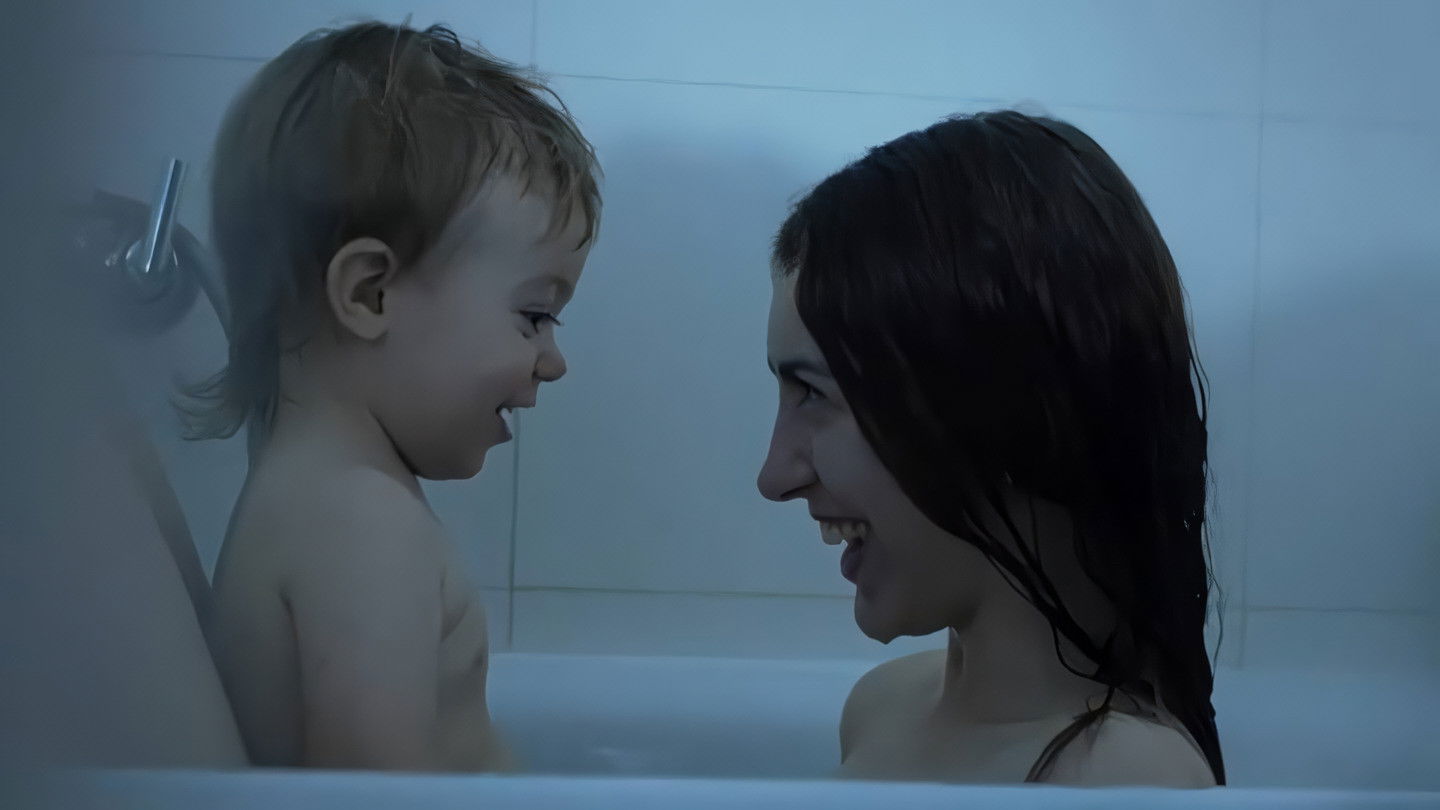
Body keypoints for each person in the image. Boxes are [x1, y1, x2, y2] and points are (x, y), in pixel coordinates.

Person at [757, 110, 1223, 786]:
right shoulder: (881, 707)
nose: (775, 476)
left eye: (814, 394)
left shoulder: (1122, 776)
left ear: (1005, 411)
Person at [200, 21, 600, 770]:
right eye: (534, 315)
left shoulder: (306, 494)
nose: (553, 362)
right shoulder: (362, 522)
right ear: (370, 294)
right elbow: (373, 798)